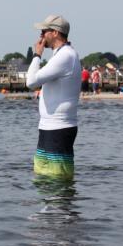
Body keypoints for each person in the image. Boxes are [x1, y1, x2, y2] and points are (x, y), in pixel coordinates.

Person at [26, 14, 81, 180]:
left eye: (44, 31)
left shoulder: (66, 56)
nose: (41, 35)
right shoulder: (60, 55)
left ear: (55, 33)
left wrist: (37, 55)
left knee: (57, 182)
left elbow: (31, 81)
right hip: (49, 126)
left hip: (59, 127)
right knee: (44, 181)